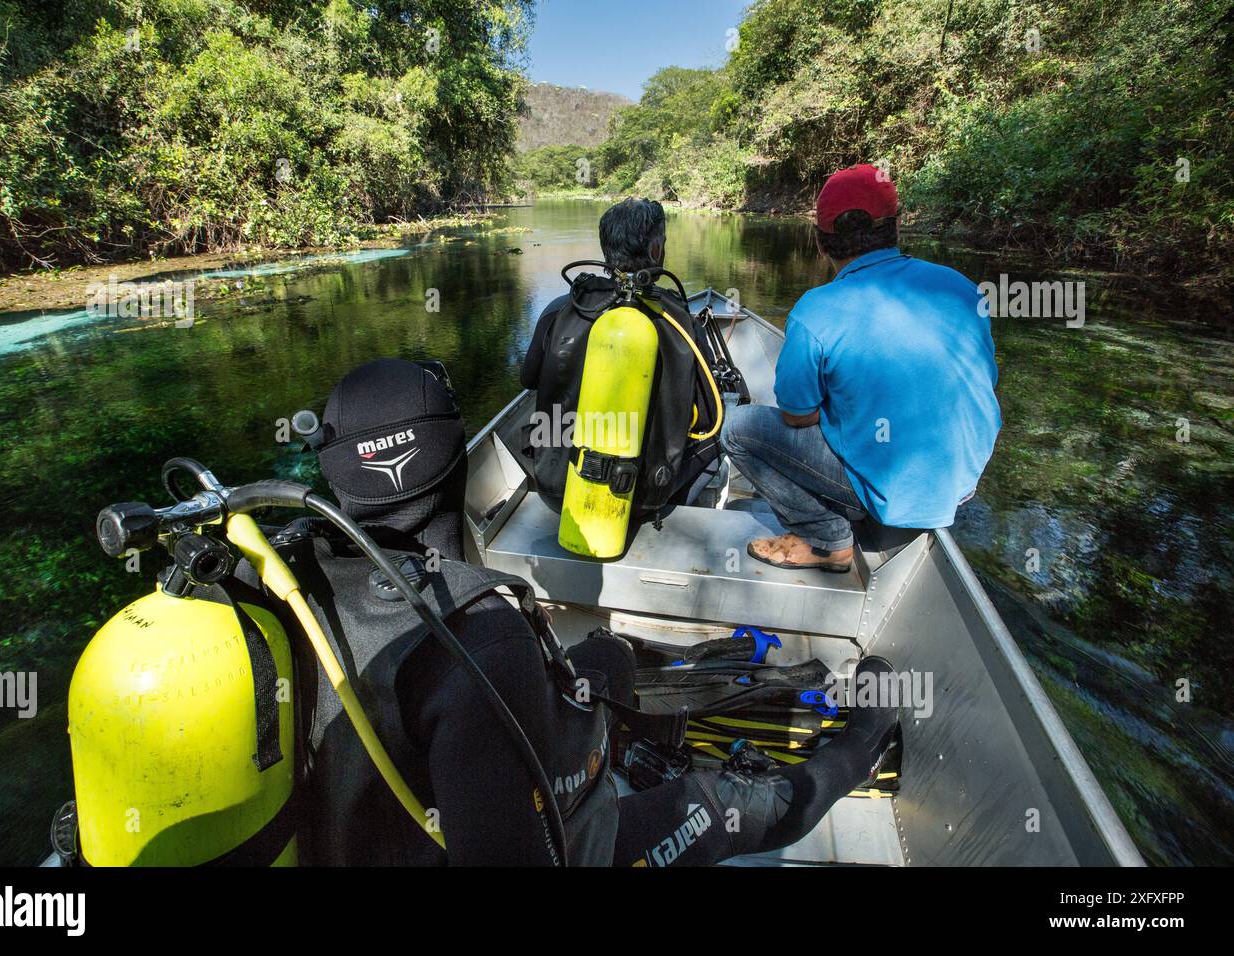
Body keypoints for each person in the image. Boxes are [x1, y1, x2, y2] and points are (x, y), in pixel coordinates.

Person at [239, 357, 899, 866]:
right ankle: (867, 737)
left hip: (357, 834)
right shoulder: (482, 635)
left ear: (332, 473)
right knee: (737, 802)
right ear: (451, 459)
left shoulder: (268, 577)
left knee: (605, 659)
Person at [721, 164, 1002, 573]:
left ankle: (824, 538)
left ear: (820, 243)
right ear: (897, 228)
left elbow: (796, 417)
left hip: (893, 491)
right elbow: (985, 381)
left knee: (738, 427)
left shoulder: (815, 311)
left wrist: (839, 411)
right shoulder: (960, 286)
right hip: (962, 484)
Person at [520, 198, 720, 517]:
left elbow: (528, 379)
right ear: (656, 250)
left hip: (555, 490)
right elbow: (710, 418)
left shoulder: (560, 308)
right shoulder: (679, 320)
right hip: (645, 499)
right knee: (719, 438)